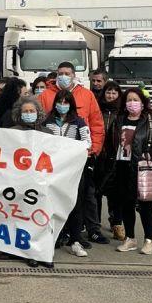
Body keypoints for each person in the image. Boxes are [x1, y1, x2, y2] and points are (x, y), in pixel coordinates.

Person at [38, 62, 106, 244]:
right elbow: (39, 125)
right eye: (60, 73)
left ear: (74, 74)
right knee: (56, 195)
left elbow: (97, 124)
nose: (63, 76)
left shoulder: (86, 95)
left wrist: (94, 149)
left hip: (81, 158)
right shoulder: (45, 96)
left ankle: (92, 229)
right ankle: (60, 232)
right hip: (54, 160)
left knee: (86, 195)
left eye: (67, 73)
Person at [111, 88, 152, 255]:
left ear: (142, 103)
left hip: (142, 168)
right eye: (128, 100)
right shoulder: (119, 120)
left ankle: (149, 241)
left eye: (135, 99)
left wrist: (150, 153)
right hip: (122, 167)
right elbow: (112, 142)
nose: (131, 103)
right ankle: (130, 239)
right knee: (127, 205)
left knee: (144, 206)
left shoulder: (150, 121)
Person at [44, 89, 92, 258]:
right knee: (51, 203)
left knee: (75, 205)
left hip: (73, 172)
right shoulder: (46, 121)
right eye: (60, 101)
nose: (62, 105)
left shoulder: (79, 122)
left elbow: (87, 143)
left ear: (71, 104)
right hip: (52, 172)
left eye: (66, 102)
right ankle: (52, 238)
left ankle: (75, 240)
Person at [9, 96, 53, 268]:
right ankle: (28, 252)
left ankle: (43, 252)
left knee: (43, 219)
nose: (29, 114)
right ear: (19, 114)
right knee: (25, 218)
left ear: (38, 112)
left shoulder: (47, 133)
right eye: (25, 111)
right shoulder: (13, 132)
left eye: (31, 111)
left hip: (42, 184)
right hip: (23, 184)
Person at [95, 81, 123, 240]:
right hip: (100, 156)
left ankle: (116, 223)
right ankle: (95, 224)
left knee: (115, 194)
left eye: (114, 93)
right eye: (108, 92)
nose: (110, 95)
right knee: (96, 192)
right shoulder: (98, 108)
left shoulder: (122, 112)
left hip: (116, 158)